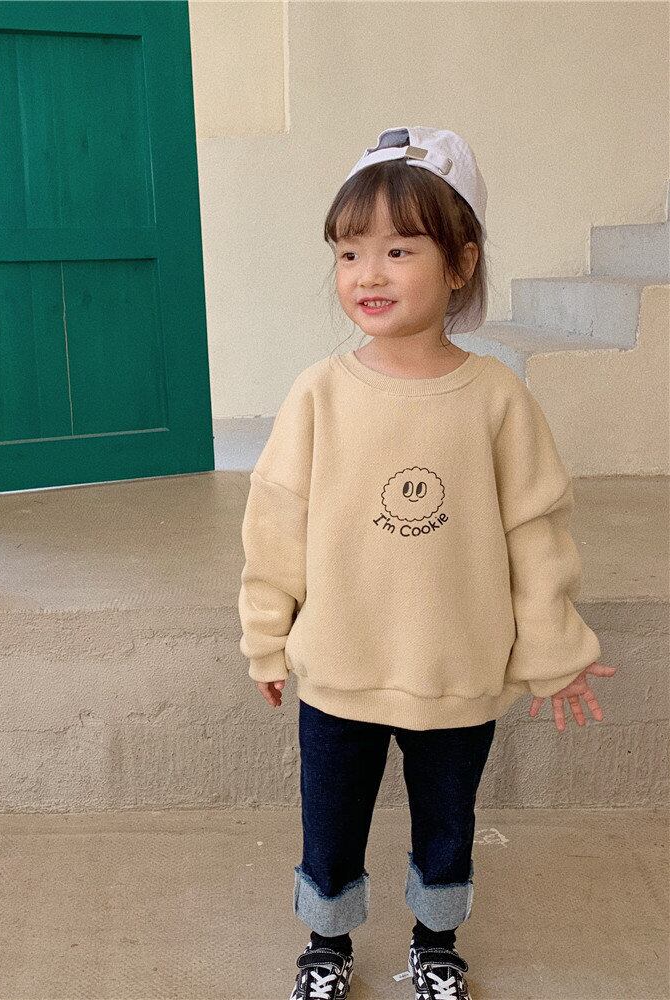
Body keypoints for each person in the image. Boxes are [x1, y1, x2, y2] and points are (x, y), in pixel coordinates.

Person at [237, 126, 618, 1000]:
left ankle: (436, 942)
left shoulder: (497, 398)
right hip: (340, 668)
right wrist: (266, 636)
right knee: (331, 824)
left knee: (448, 824)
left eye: (399, 250)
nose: (367, 274)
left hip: (457, 668)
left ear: (460, 263)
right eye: (349, 252)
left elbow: (535, 532)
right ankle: (326, 944)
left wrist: (554, 649)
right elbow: (277, 522)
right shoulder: (320, 392)